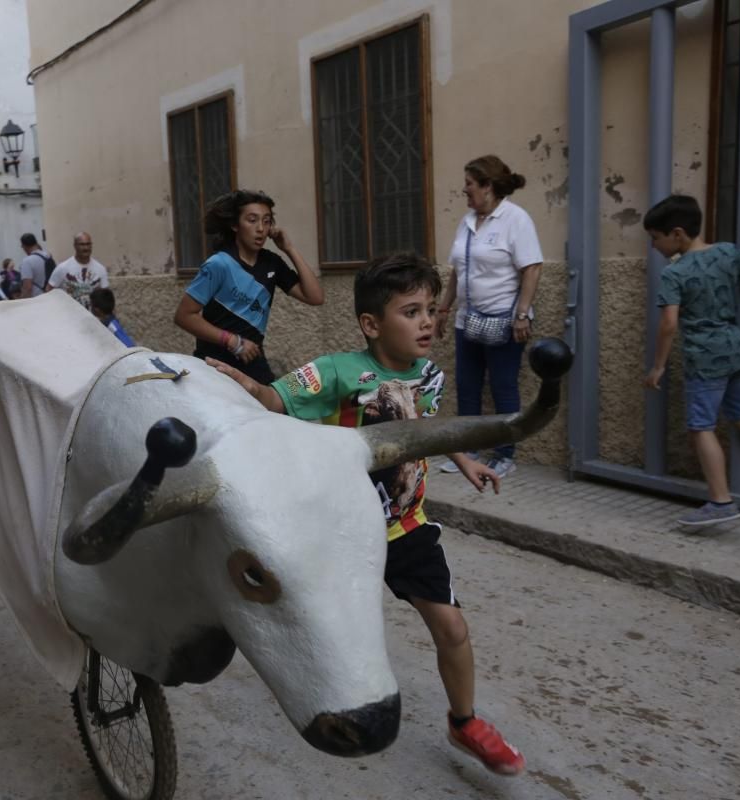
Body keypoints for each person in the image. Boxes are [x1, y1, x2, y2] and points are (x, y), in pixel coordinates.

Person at [209, 252, 524, 777]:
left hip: (405, 528)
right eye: (411, 311)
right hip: (338, 532)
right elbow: (275, 399)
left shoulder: (428, 376)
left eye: (429, 309)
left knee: (451, 626)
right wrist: (248, 386)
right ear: (372, 324)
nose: (427, 321)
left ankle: (465, 721)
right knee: (313, 622)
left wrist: (464, 460)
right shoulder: (336, 371)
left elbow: (425, 424)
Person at [642, 195, 740, 525]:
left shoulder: (675, 273)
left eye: (656, 238)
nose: (654, 245)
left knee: (701, 427)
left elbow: (669, 324)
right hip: (734, 348)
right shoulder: (728, 252)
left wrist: (658, 366)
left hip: (704, 357)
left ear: (678, 234)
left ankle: (720, 500)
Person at [435, 155, 544, 480]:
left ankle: (504, 453)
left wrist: (522, 314)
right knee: (467, 387)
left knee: (502, 387)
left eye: (470, 184)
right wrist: (443, 308)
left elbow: (532, 268)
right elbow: (459, 269)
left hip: (504, 320)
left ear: (488, 186)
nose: (464, 190)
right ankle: (468, 450)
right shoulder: (468, 221)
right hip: (467, 319)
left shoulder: (515, 219)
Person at [173, 189, 324, 384]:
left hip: (253, 363)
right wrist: (233, 341)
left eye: (266, 221)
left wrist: (289, 248)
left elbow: (315, 297)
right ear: (235, 225)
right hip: (213, 363)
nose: (260, 228)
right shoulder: (219, 264)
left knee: (278, 411)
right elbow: (184, 316)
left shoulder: (272, 263)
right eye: (252, 220)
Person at [48, 232, 109, 308]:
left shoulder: (100, 269)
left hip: (92, 317)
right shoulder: (62, 268)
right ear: (75, 246)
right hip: (69, 316)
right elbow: (49, 291)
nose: (86, 248)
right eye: (82, 244)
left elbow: (106, 298)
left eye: (88, 244)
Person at [18, 232, 53, 298]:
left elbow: (27, 288)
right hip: (51, 297)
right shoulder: (47, 256)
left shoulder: (27, 261)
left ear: (24, 246)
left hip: (37, 300)